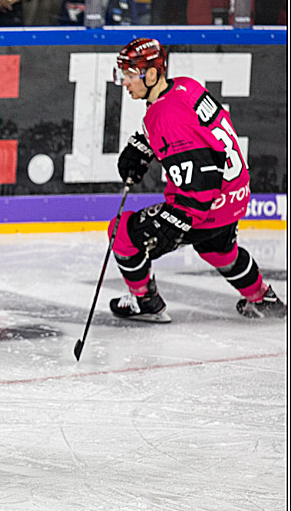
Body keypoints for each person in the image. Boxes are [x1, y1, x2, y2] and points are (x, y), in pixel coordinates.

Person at [109, 38, 286, 321]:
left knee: (122, 233)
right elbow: (198, 133)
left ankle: (145, 302)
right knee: (218, 250)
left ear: (152, 74)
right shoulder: (185, 86)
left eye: (130, 75)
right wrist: (143, 143)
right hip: (236, 193)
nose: (125, 82)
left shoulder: (165, 116)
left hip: (206, 203)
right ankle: (262, 297)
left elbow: (201, 178)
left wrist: (177, 220)